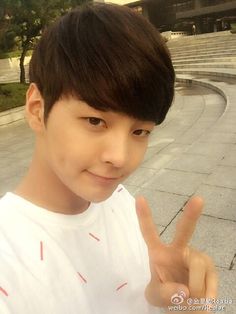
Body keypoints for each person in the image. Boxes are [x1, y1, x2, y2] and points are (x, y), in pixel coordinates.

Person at [0, 3, 217, 314]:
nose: (119, 157)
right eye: (94, 121)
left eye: (140, 131)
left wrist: (171, 301)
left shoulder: (119, 201)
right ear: (37, 108)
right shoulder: (7, 257)